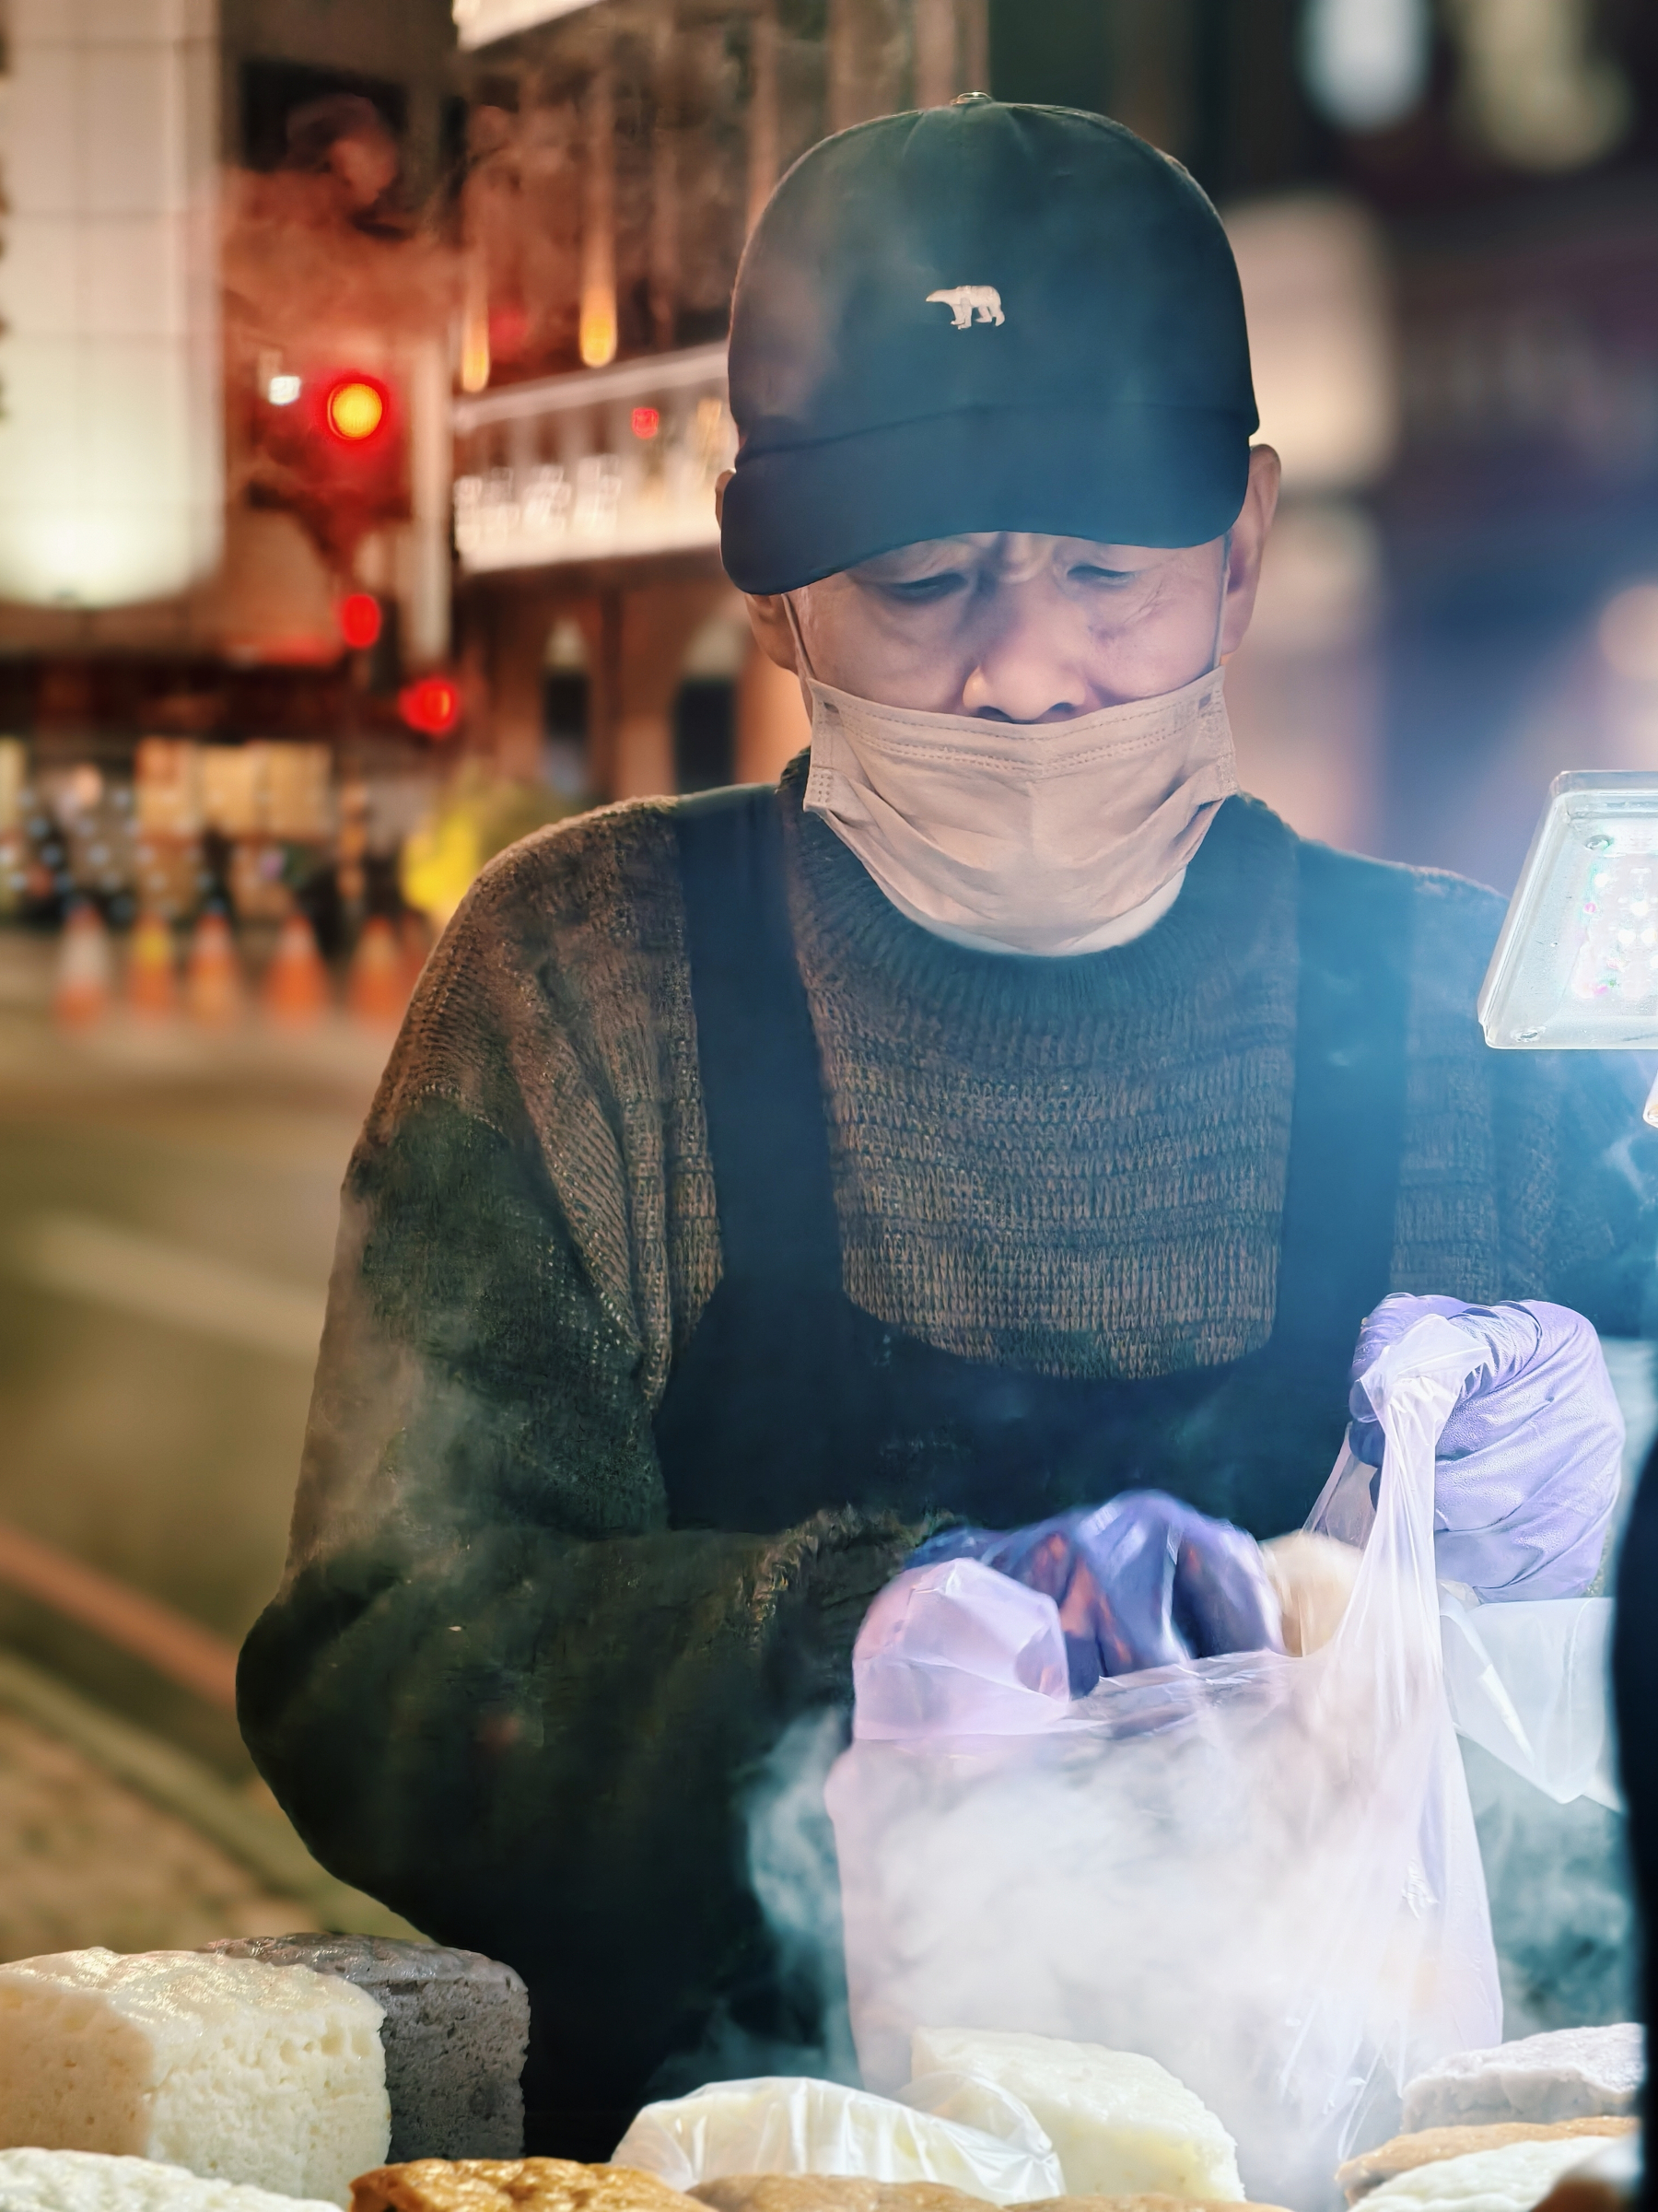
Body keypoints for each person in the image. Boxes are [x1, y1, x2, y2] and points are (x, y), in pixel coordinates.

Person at [239, 99, 1656, 2158]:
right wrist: (853, 1648)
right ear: (780, 596)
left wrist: (1578, 1551)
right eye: (921, 583)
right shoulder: (587, 974)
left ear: (1245, 545)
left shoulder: (1478, 1015)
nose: (1020, 671)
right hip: (728, 2174)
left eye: (1105, 571)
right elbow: (378, 1667)